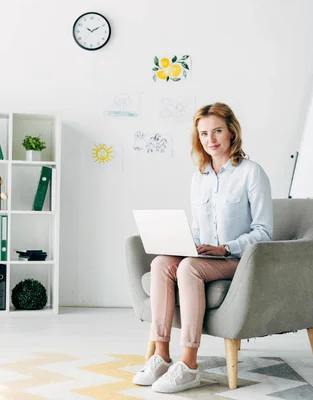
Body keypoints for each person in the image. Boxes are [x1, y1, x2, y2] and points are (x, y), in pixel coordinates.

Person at [133, 102, 273, 394]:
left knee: (189, 268)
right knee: (161, 263)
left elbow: (263, 233)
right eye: (204, 133)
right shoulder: (200, 178)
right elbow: (198, 227)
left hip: (239, 259)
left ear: (231, 132)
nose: (211, 139)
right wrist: (187, 243)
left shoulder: (251, 173)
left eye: (217, 131)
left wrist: (225, 248)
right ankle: (161, 355)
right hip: (205, 256)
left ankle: (189, 365)